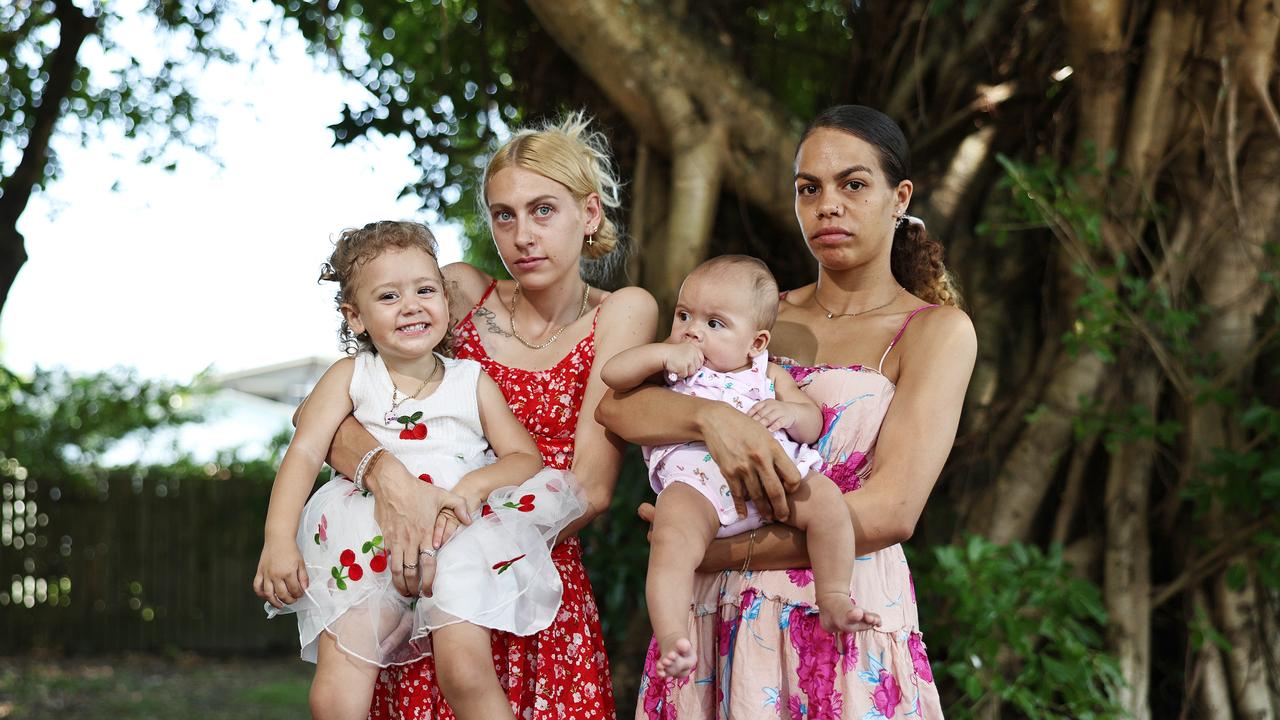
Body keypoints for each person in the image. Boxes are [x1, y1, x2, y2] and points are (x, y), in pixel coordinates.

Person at [598, 104, 976, 719]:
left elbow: (892, 511)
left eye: (853, 184)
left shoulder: (934, 331)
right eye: (809, 188)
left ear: (899, 196)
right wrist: (707, 421)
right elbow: (619, 411)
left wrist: (719, 551)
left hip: (836, 608)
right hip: (712, 613)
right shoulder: (754, 317)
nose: (828, 204)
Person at [314, 114, 656, 720]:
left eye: (543, 210)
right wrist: (391, 481)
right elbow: (329, 412)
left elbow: (591, 488)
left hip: (527, 582)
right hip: (411, 573)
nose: (523, 234)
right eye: (505, 214)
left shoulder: (621, 312)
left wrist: (460, 553)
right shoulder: (462, 290)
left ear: (591, 214)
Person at [254, 221, 588, 720]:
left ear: (446, 304)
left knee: (466, 674)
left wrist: (474, 486)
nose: (412, 305)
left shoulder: (470, 380)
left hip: (456, 540)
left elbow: (524, 458)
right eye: (389, 296)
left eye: (425, 290)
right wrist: (278, 540)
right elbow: (304, 452)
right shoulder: (350, 376)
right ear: (356, 317)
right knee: (335, 694)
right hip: (362, 545)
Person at [602, 255, 881, 680]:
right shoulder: (672, 371)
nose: (692, 329)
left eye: (715, 323)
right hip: (697, 486)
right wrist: (661, 353)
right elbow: (613, 375)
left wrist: (788, 411)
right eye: (683, 315)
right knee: (672, 538)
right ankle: (674, 634)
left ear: (756, 342)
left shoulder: (767, 374)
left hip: (774, 480)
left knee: (826, 502)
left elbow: (811, 424)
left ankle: (835, 596)